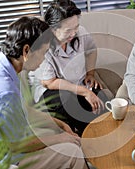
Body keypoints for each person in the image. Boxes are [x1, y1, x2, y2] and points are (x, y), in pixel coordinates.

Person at [0, 16, 89, 169]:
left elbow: (23, 110)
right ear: (26, 50)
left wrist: (60, 124)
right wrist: (60, 138)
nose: (43, 59)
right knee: (73, 152)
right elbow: (17, 145)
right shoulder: (3, 91)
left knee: (63, 140)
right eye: (43, 52)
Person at [28, 0, 108, 136]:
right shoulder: (43, 45)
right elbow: (50, 82)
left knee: (103, 103)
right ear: (53, 29)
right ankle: (89, 139)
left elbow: (91, 50)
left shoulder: (79, 32)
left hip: (78, 83)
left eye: (76, 27)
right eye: (68, 31)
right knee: (71, 103)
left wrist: (90, 74)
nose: (74, 33)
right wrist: (84, 92)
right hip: (52, 90)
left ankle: (108, 134)